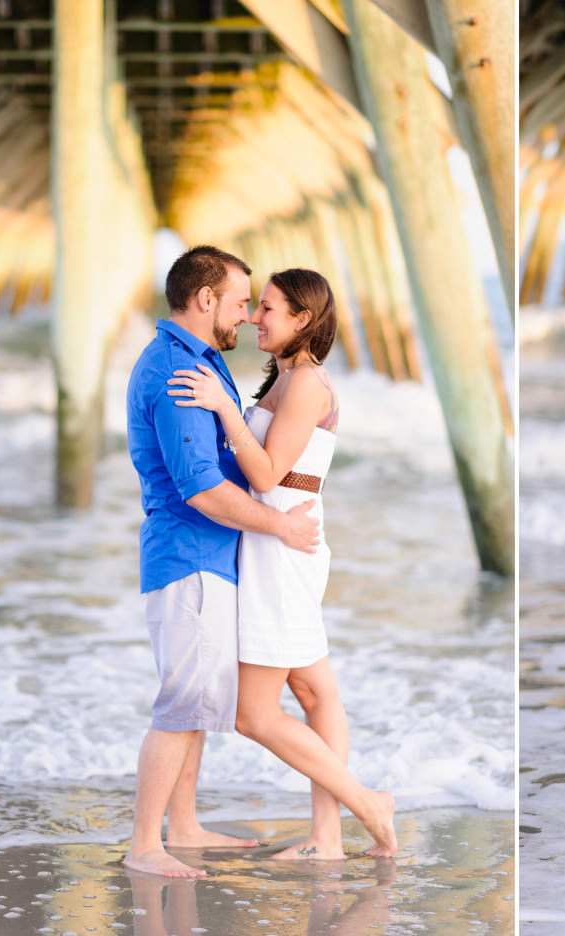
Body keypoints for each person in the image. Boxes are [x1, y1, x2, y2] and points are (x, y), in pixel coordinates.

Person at [167, 268, 398, 859]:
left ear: (302, 319)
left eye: (267, 309)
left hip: (283, 550)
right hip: (279, 543)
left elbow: (268, 474)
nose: (252, 317)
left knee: (254, 714)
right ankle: (329, 839)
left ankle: (367, 804)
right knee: (316, 693)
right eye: (254, 306)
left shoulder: (307, 385)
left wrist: (223, 407)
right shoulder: (288, 380)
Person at [124, 246, 323, 879]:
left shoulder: (197, 363)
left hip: (204, 559)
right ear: (205, 300)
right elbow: (203, 490)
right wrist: (282, 526)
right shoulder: (179, 374)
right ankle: (144, 845)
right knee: (181, 705)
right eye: (242, 302)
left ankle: (180, 825)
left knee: (199, 701)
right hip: (190, 557)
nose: (247, 315)